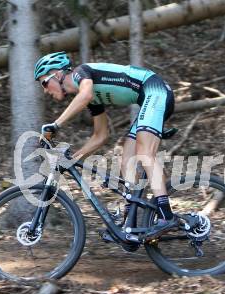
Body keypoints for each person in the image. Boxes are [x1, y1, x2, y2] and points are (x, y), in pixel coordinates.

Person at [34, 51, 177, 240]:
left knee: (144, 153)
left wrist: (56, 124)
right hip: (149, 100)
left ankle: (167, 215)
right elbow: (100, 136)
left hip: (155, 91)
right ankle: (131, 223)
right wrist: (73, 160)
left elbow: (85, 95)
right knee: (127, 159)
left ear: (58, 74)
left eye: (45, 82)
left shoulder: (81, 74)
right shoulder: (91, 98)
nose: (45, 90)